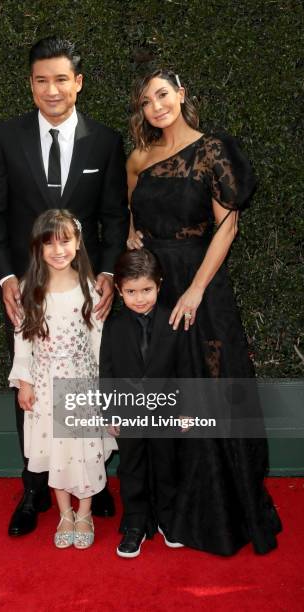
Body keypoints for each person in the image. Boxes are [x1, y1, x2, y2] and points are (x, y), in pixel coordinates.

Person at [126, 68, 281, 556]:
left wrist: (194, 290)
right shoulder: (138, 158)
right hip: (156, 288)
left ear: (181, 94)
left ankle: (219, 511)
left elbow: (227, 228)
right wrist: (133, 238)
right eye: (147, 100)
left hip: (201, 287)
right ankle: (166, 508)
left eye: (163, 94)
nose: (157, 106)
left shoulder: (213, 150)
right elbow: (131, 214)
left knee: (208, 392)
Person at [0, 36, 128, 535]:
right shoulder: (6, 136)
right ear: (31, 84)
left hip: (85, 291)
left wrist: (107, 273)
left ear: (78, 83)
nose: (52, 89)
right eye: (42, 80)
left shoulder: (104, 141)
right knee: (32, 387)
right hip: (29, 291)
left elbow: (113, 214)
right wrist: (4, 277)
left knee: (87, 382)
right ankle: (34, 487)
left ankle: (94, 482)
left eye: (61, 79)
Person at [8, 209, 115, 548]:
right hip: (44, 385)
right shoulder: (30, 289)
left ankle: (85, 513)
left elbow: (98, 341)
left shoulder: (90, 288)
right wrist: (24, 382)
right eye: (49, 243)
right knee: (54, 450)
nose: (58, 250)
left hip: (81, 385)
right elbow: (22, 338)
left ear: (78, 242)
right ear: (38, 248)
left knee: (82, 451)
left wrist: (104, 389)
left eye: (65, 241)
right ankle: (64, 513)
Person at [100, 249, 190, 558]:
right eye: (131, 291)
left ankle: (167, 517)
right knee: (132, 467)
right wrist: (110, 412)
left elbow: (184, 370)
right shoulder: (113, 327)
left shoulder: (174, 320)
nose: (140, 298)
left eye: (147, 290)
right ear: (120, 289)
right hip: (127, 413)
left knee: (167, 465)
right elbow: (107, 371)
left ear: (159, 285)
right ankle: (135, 522)